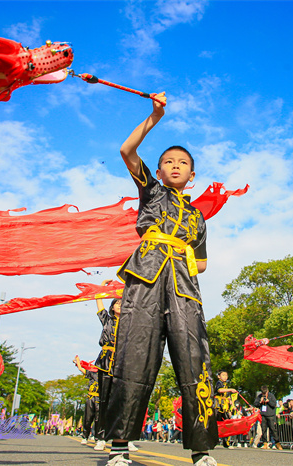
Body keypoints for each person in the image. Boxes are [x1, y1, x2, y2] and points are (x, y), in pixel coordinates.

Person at [104, 92, 218, 466]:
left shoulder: (198, 218)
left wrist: (181, 256)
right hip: (146, 279)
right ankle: (120, 446)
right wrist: (154, 117)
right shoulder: (151, 191)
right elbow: (126, 150)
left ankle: (201, 450)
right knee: (135, 355)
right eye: (168, 161)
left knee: (193, 359)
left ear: (192, 175)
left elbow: (202, 264)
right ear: (158, 169)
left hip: (184, 287)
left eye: (182, 162)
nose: (175, 165)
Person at [92, 281, 138, 452]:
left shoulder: (129, 322)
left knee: (124, 402)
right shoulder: (107, 319)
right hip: (105, 362)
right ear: (112, 308)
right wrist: (102, 287)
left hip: (122, 362)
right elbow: (98, 301)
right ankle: (101, 437)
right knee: (104, 401)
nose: (119, 304)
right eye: (116, 303)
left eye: (121, 302)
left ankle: (125, 438)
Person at [74, 355, 100, 446]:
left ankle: (98, 438)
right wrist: (78, 361)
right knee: (88, 418)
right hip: (91, 397)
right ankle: (85, 437)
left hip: (100, 399)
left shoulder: (107, 375)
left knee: (98, 420)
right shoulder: (92, 373)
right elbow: (81, 369)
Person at [254, 385, 283, 450]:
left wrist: (268, 401)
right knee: (263, 430)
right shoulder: (259, 396)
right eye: (263, 393)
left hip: (270, 415)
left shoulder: (271, 396)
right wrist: (260, 402)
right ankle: (265, 443)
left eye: (265, 393)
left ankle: (277, 443)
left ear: (267, 391)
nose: (264, 394)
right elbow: (255, 404)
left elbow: (274, 404)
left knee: (273, 430)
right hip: (263, 415)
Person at [214, 370, 237, 448]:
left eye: (226, 375)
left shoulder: (226, 385)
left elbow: (228, 397)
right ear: (219, 376)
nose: (225, 377)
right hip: (218, 406)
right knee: (216, 423)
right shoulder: (219, 383)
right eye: (223, 375)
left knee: (227, 423)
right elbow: (220, 390)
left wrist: (231, 406)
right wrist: (230, 389)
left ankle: (226, 442)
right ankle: (213, 440)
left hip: (225, 407)